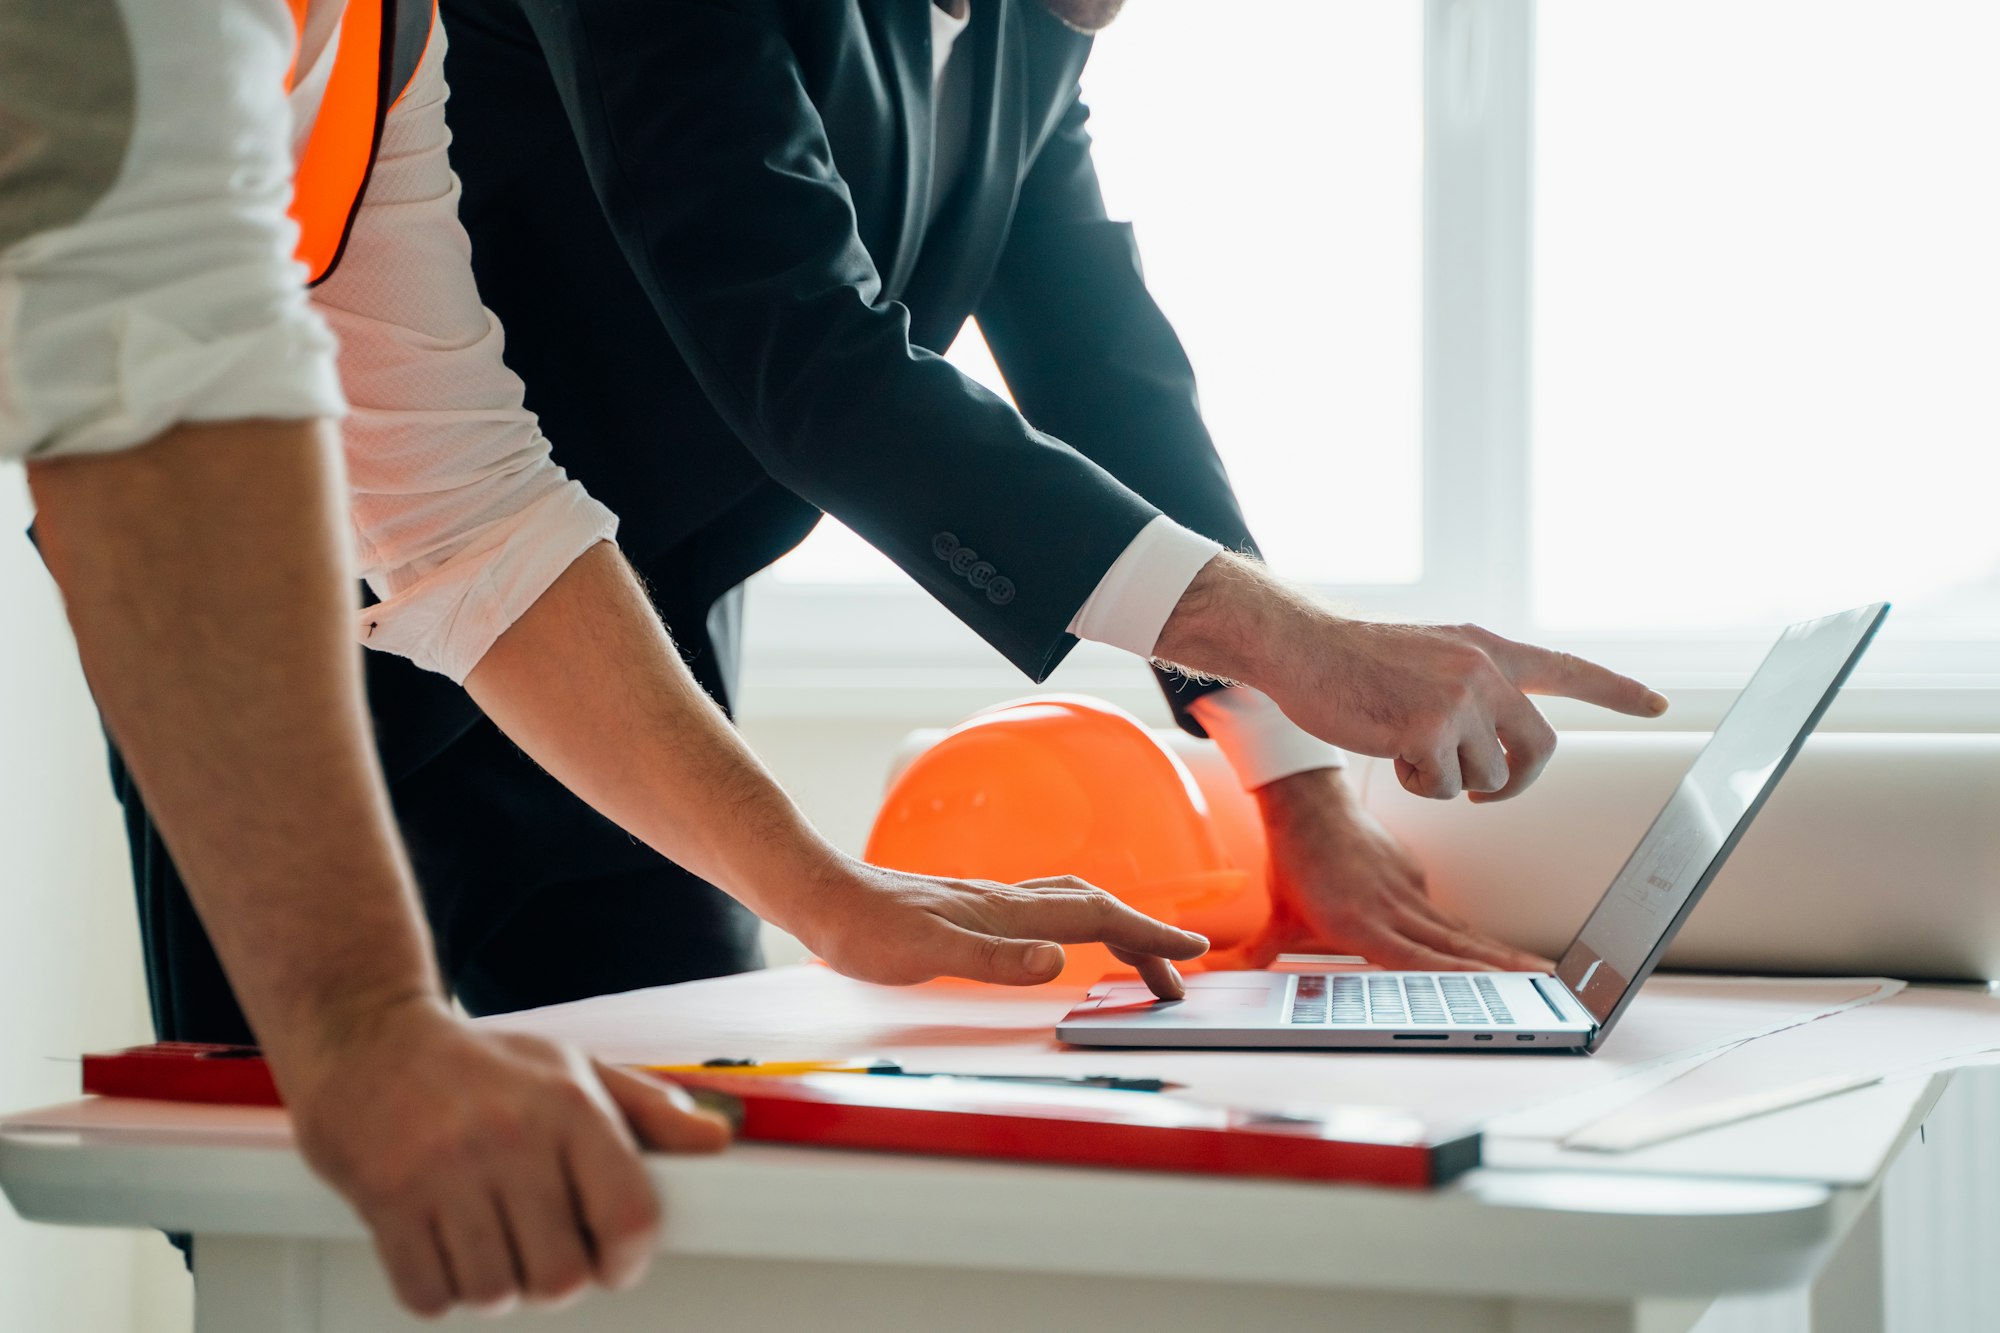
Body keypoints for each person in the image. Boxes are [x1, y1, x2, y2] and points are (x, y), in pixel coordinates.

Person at [2, 0, 1204, 1317]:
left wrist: (826, 889)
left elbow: (462, 506)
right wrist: (362, 1019)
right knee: (282, 1228)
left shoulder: (390, 36)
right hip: (286, 669)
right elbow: (157, 390)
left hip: (545, 654)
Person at [374, 0, 1672, 1010]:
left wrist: (1298, 791)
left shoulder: (1026, 29)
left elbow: (1104, 370)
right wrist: (1291, 640)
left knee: (679, 1185)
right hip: (340, 645)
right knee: (275, 1197)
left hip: (627, 674)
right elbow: (811, 357)